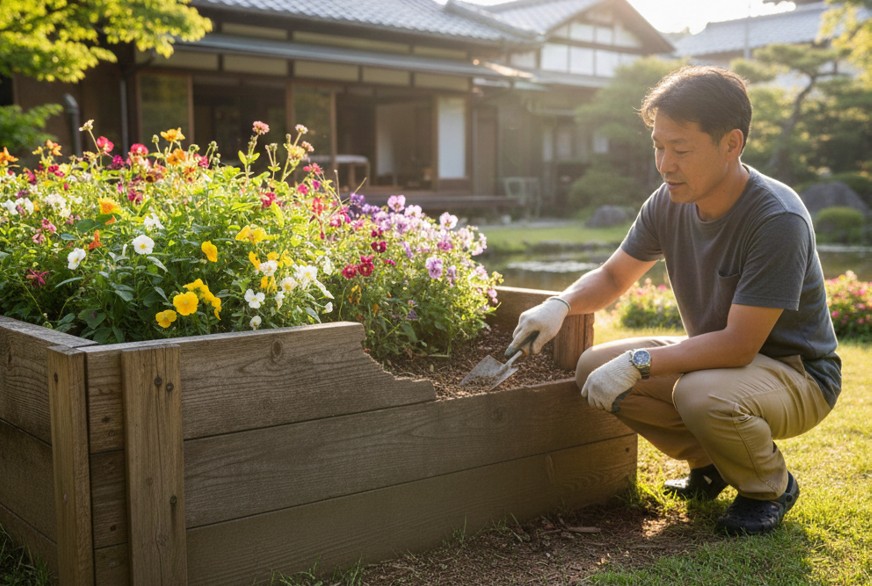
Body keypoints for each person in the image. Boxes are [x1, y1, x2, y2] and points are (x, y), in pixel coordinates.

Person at [508, 65, 841, 536]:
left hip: (797, 374)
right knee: (592, 366)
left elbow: (740, 345)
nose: (665, 165)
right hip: (718, 361)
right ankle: (712, 464)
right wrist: (559, 304)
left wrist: (639, 362)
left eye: (680, 150)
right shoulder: (668, 201)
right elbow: (613, 276)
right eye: (658, 147)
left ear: (732, 144)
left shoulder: (776, 219)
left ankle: (769, 487)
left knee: (697, 394)